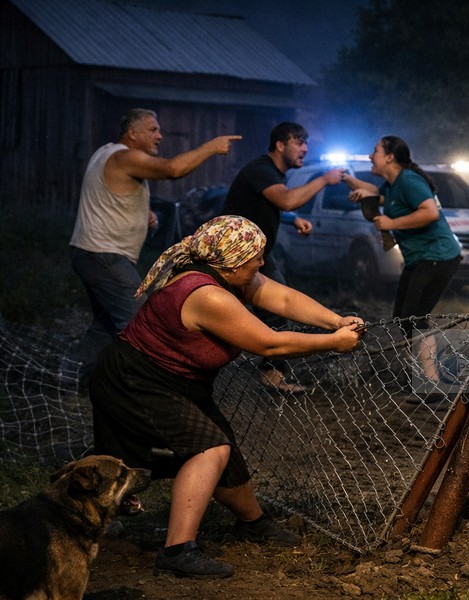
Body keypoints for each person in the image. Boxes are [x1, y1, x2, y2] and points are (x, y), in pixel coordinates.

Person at [88, 215, 365, 579]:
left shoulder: (227, 274)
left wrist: (334, 321)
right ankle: (176, 551)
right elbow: (269, 342)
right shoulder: (207, 295)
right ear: (231, 262)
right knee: (210, 449)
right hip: (137, 380)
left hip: (178, 380)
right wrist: (333, 344)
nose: (261, 263)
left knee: (225, 456)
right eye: (255, 258)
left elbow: (279, 295)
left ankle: (252, 523)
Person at [69, 108, 240, 380]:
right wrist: (211, 147)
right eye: (153, 130)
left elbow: (108, 195)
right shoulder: (125, 156)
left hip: (93, 254)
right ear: (132, 133)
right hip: (103, 256)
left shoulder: (106, 153)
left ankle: (65, 377)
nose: (160, 136)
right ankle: (146, 386)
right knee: (142, 325)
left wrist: (142, 214)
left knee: (103, 328)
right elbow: (174, 170)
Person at [221, 122, 344, 392]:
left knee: (268, 313)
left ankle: (271, 376)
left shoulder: (273, 173)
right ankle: (269, 377)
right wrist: (324, 179)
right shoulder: (261, 169)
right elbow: (286, 200)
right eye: (298, 142)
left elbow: (271, 205)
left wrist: (292, 219)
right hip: (233, 257)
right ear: (279, 145)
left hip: (253, 255)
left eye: (306, 143)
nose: (305, 149)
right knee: (271, 313)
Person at [342, 136, 461, 390]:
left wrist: (392, 224)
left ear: (390, 157)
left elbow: (429, 212)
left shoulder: (408, 180)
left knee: (416, 318)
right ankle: (419, 374)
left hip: (438, 256)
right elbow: (375, 193)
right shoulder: (393, 184)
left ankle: (431, 382)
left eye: (374, 151)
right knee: (402, 318)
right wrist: (347, 179)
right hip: (419, 258)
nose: (370, 155)